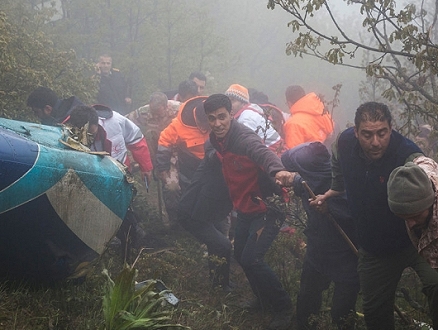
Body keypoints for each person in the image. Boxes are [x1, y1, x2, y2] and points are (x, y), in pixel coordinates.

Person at [310, 102, 438, 329]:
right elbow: (338, 167)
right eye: (367, 134)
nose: (375, 142)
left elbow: (425, 170)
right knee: (375, 313)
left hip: (418, 241)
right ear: (356, 131)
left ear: (391, 128)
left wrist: (430, 179)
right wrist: (333, 191)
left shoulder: (406, 153)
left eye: (382, 133)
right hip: (374, 248)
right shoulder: (344, 142)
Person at [203, 93, 294, 330]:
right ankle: (262, 299)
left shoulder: (243, 138)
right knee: (242, 256)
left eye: (222, 117)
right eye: (212, 119)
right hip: (245, 207)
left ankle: (284, 308)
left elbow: (262, 153)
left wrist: (277, 171)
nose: (217, 123)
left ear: (230, 115)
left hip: (268, 206)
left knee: (252, 258)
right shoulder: (216, 139)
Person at [282, 142, 359, 330]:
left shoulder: (344, 185)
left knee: (342, 313)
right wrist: (287, 177)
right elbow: (288, 164)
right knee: (307, 300)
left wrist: (330, 208)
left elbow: (357, 215)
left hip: (347, 257)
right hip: (318, 252)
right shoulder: (307, 181)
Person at [67, 105, 153, 250]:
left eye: (92, 132)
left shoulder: (116, 121)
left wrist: (146, 167)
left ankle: (135, 237)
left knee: (123, 205)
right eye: (85, 134)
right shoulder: (70, 131)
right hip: (93, 178)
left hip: (120, 173)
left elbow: (136, 139)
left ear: (96, 123)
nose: (90, 137)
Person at [177, 144, 233, 291]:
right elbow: (212, 152)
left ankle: (219, 282)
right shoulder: (213, 162)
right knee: (223, 245)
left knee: (217, 244)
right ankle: (221, 286)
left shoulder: (224, 166)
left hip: (206, 212)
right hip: (191, 213)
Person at [155, 96, 210, 224]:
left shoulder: (218, 116)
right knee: (171, 187)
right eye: (204, 125)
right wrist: (162, 168)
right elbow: (164, 141)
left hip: (211, 163)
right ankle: (176, 221)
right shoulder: (180, 124)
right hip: (182, 160)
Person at [388, 157, 438, 269]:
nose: (410, 224)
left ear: (429, 204)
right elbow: (423, 162)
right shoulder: (422, 176)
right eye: (405, 218)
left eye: (416, 216)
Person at [224, 83, 284, 155]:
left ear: (243, 103)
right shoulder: (247, 112)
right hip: (271, 151)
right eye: (227, 100)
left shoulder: (247, 117)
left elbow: (243, 145)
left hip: (275, 154)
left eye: (233, 100)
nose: (229, 104)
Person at [283, 85, 334, 149]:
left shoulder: (293, 124)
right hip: (331, 152)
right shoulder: (320, 108)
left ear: (289, 103)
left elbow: (293, 154)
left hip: (315, 157)